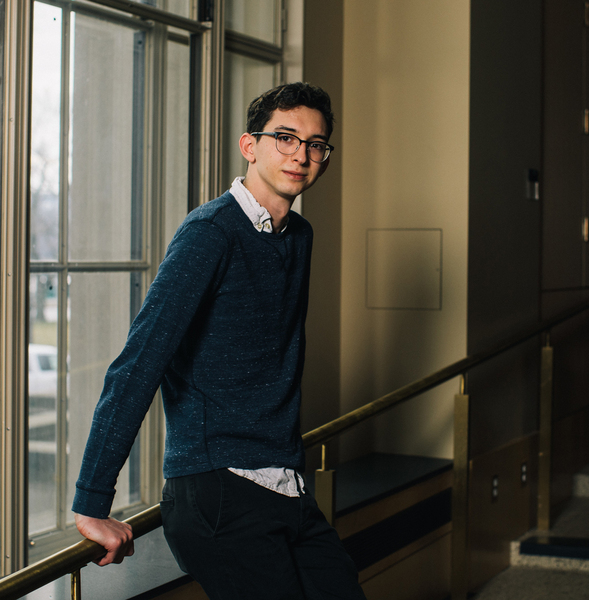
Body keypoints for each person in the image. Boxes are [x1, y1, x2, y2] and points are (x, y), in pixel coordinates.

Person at [72, 82, 367, 600]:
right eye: (285, 137)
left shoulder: (299, 237)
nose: (301, 154)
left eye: (315, 144)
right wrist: (93, 500)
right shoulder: (210, 232)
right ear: (249, 146)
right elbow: (139, 361)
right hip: (219, 489)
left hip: (286, 484)